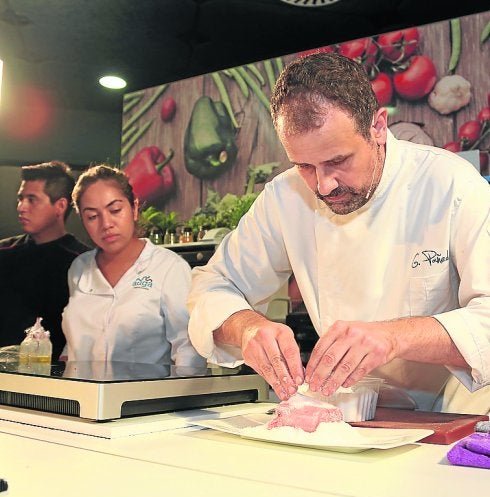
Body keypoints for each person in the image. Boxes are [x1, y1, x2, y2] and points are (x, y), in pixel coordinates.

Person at [187, 52, 490, 413]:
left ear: (378, 127)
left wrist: (392, 337)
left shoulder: (451, 185)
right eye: (304, 165)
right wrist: (247, 328)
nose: (324, 185)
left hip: (450, 414)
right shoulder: (284, 198)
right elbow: (212, 286)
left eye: (338, 161)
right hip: (342, 415)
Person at [61, 164, 205, 368]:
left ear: (134, 208)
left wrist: (179, 395)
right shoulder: (79, 268)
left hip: (142, 397)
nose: (106, 224)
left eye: (115, 210)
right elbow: (75, 341)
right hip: (82, 396)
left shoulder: (169, 267)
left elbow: (189, 349)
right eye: (92, 216)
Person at [0, 161, 89, 360]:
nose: (21, 207)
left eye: (32, 199)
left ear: (60, 206)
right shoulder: (3, 252)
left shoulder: (83, 262)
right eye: (20, 199)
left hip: (57, 379)